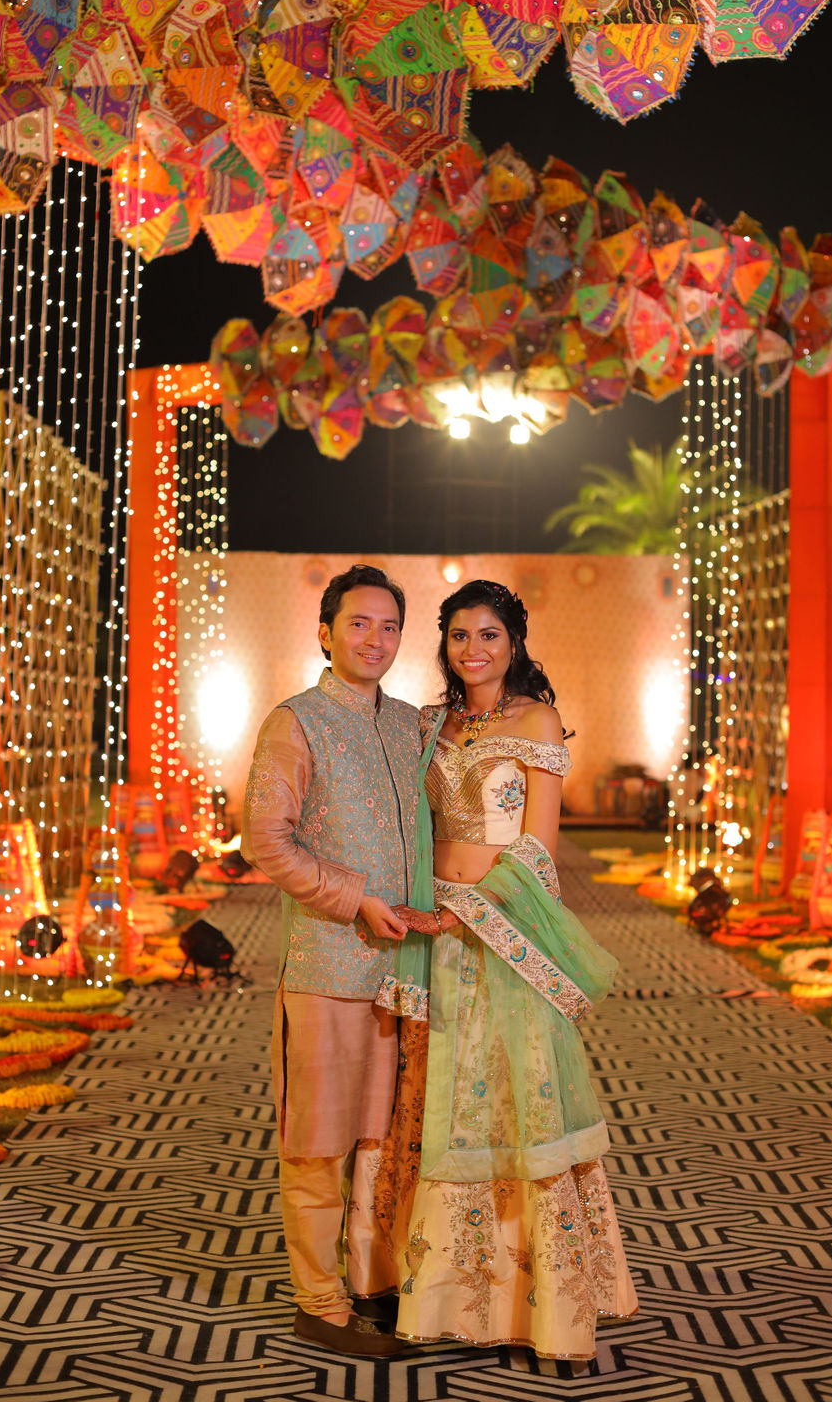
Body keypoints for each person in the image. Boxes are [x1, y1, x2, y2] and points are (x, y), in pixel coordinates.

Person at [350, 579, 637, 1364]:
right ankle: (437, 1294)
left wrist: (471, 914)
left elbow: (539, 850)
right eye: (459, 637)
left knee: (516, 1106)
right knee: (426, 1101)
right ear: (443, 646)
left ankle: (544, 1310)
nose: (473, 650)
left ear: (515, 643)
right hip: (428, 930)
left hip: (499, 933)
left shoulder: (536, 720)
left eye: (489, 636)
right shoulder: (432, 723)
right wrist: (418, 908)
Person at [240, 564, 421, 1357]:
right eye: (358, 624)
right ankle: (318, 1303)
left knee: (385, 1145)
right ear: (324, 631)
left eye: (388, 627)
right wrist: (354, 898)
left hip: (407, 975)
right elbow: (266, 840)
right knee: (319, 1144)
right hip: (327, 968)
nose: (374, 639)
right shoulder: (297, 721)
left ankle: (372, 1286)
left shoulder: (413, 724)